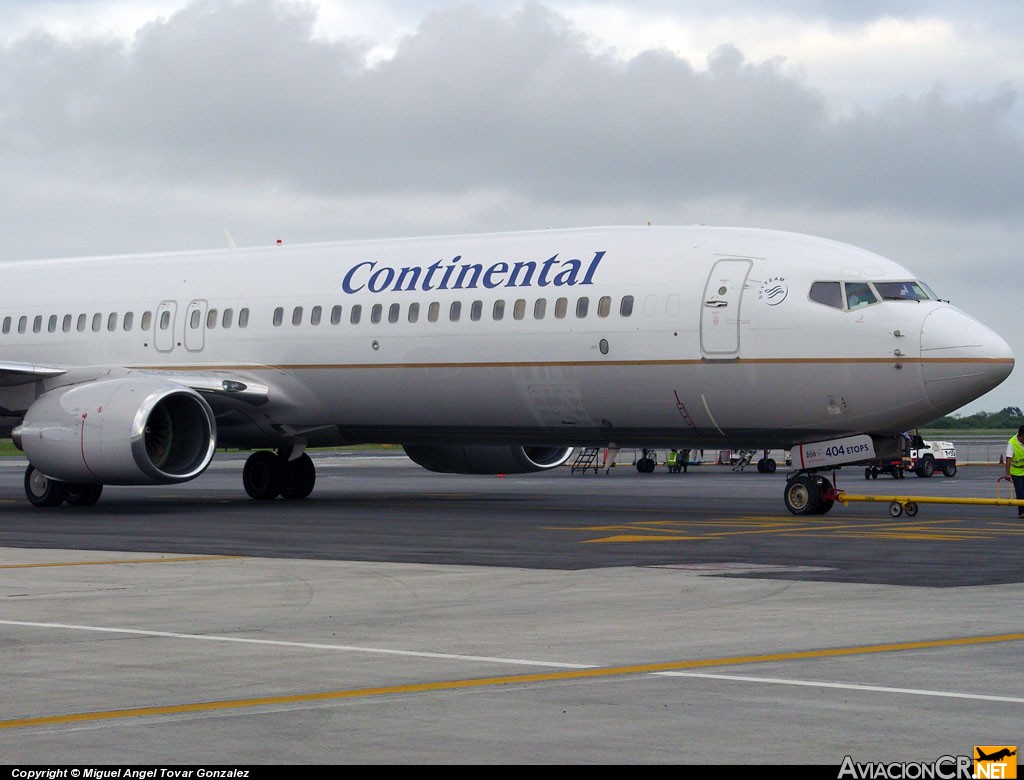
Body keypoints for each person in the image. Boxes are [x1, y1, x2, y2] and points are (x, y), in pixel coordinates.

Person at [1001, 425, 1024, 517]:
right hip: (1016, 472)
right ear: (1021, 435)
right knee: (1021, 493)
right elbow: (1008, 459)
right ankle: (1021, 512)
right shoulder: (1012, 443)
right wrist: (1007, 473)